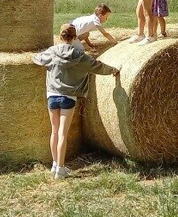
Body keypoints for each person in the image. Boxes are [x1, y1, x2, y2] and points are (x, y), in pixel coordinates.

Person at [33, 24, 119, 179]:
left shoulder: (52, 52)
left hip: (52, 95)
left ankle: (54, 165)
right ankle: (60, 168)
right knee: (63, 134)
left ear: (60, 36)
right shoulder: (79, 55)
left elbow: (37, 58)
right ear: (74, 38)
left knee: (54, 131)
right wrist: (113, 70)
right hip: (68, 97)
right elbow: (97, 66)